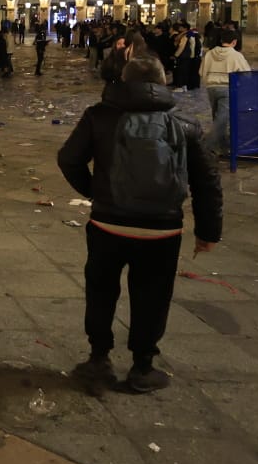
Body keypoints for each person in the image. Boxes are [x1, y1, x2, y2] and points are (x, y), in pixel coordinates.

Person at [56, 54, 223, 394]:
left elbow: (68, 159)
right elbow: (207, 182)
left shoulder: (98, 117)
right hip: (162, 230)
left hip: (108, 225)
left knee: (101, 291)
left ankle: (99, 359)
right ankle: (142, 367)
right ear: (163, 83)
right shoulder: (186, 125)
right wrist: (208, 232)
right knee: (152, 296)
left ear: (124, 82)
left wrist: (95, 192)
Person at [199, 27, 251, 156]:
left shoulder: (210, 53)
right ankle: (205, 147)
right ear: (234, 42)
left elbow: (201, 72)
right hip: (227, 88)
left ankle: (222, 146)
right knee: (221, 119)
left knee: (217, 117)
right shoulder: (236, 55)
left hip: (211, 88)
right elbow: (247, 74)